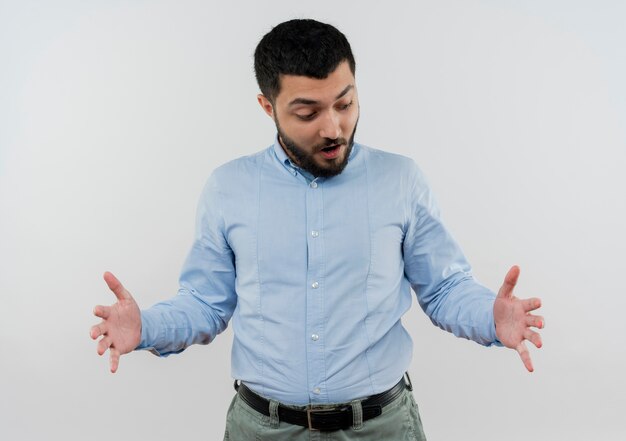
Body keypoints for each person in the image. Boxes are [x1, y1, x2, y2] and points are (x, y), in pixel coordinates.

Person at [90, 18, 544, 440]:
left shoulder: (401, 181)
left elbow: (444, 290)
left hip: (380, 428)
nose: (334, 128)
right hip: (262, 429)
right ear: (267, 107)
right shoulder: (229, 188)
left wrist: (490, 315)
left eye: (345, 103)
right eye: (308, 113)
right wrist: (145, 326)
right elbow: (205, 304)